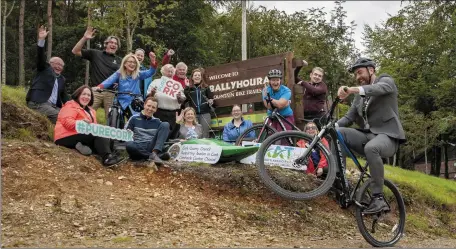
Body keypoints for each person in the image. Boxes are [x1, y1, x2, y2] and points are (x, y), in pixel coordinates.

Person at [336, 57, 406, 214]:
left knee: (372, 148)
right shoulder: (359, 97)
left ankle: (378, 198)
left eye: (359, 72)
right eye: (355, 75)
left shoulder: (386, 80)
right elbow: (349, 118)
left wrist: (352, 89)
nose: (357, 77)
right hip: (368, 135)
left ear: (371, 70)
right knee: (337, 133)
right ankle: (339, 181)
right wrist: (330, 126)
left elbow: (380, 88)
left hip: (388, 137)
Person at [54, 85, 122, 167]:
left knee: (104, 137)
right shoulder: (70, 105)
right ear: (78, 95)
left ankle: (84, 147)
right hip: (64, 136)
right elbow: (67, 123)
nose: (86, 97)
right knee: (98, 134)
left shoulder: (92, 111)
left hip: (80, 135)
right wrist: (80, 123)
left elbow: (94, 127)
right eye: (84, 94)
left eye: (89, 95)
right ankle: (107, 159)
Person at [72, 26, 122, 118]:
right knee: (86, 115)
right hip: (96, 91)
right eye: (111, 42)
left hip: (111, 93)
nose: (113, 44)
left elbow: (124, 76)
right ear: (106, 44)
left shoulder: (120, 60)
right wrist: (85, 38)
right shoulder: (95, 54)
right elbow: (75, 51)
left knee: (112, 119)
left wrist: (119, 83)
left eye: (116, 44)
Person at [93, 52, 157, 121]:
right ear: (125, 63)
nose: (132, 64)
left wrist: (153, 62)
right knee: (116, 116)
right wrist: (99, 87)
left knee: (137, 119)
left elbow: (150, 72)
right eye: (130, 62)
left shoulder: (137, 74)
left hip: (134, 100)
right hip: (121, 100)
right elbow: (109, 80)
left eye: (134, 63)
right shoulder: (119, 73)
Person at [26, 25, 68, 124]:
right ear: (49, 64)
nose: (59, 67)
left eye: (61, 65)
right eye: (56, 64)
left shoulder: (62, 79)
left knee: (69, 116)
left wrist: (78, 106)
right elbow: (40, 57)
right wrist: (41, 40)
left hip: (54, 106)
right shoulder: (44, 69)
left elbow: (65, 97)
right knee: (61, 117)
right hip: (38, 103)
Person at [125, 97, 170, 166]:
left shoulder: (158, 121)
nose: (150, 109)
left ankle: (154, 154)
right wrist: (128, 133)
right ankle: (154, 156)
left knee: (165, 124)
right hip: (138, 145)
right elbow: (125, 135)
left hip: (151, 146)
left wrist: (178, 123)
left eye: (153, 107)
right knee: (129, 145)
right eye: (148, 106)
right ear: (144, 105)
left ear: (156, 110)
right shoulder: (134, 118)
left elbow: (163, 136)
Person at [146, 65, 186, 138]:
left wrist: (179, 97)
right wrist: (152, 93)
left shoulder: (178, 85)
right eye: (168, 71)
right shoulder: (156, 82)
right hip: (158, 112)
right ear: (163, 72)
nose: (170, 73)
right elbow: (148, 98)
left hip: (173, 113)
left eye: (172, 71)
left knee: (173, 134)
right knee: (158, 133)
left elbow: (182, 100)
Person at [184, 68, 215, 138]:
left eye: (199, 75)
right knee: (195, 133)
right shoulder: (189, 88)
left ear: (201, 77)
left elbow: (211, 98)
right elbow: (186, 97)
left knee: (205, 133)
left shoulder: (206, 87)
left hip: (205, 113)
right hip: (193, 115)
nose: (197, 76)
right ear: (192, 77)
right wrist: (187, 87)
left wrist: (211, 101)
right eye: (195, 75)